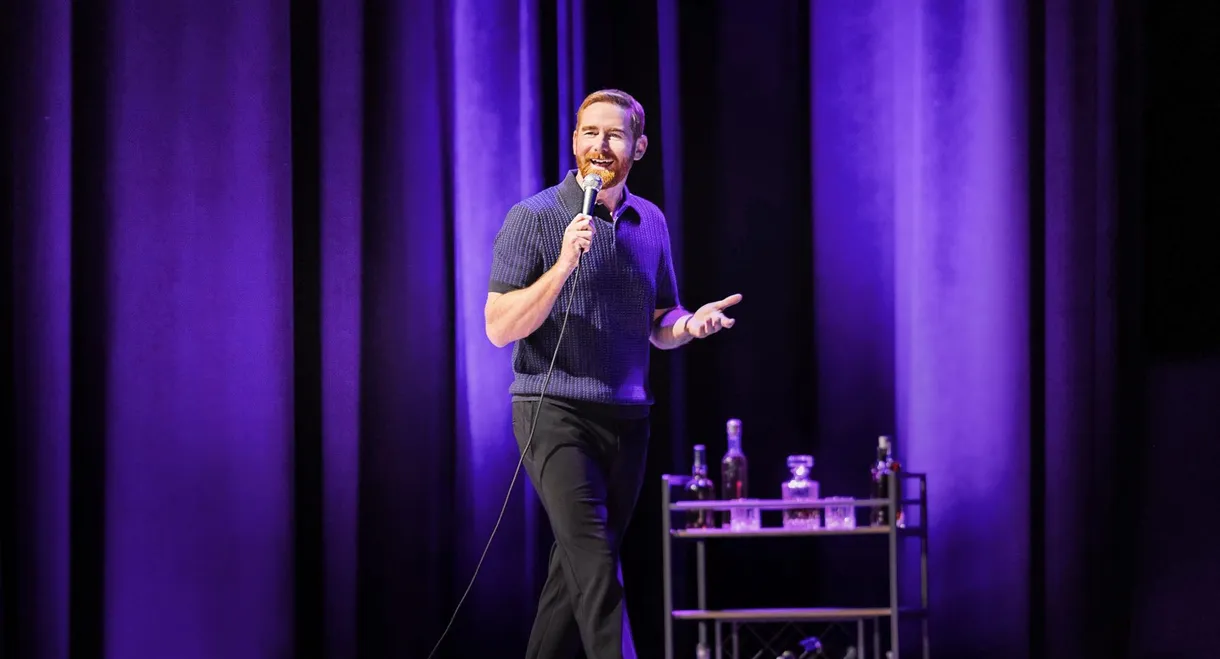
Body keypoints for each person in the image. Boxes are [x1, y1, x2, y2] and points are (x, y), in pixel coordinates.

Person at [484, 88, 742, 659]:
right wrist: (563, 264)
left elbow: (660, 319)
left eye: (614, 135)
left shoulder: (649, 221)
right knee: (597, 570)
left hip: (628, 419)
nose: (600, 145)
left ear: (639, 146)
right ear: (575, 141)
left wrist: (689, 326)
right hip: (553, 412)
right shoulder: (535, 217)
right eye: (589, 133)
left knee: (573, 574)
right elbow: (500, 327)